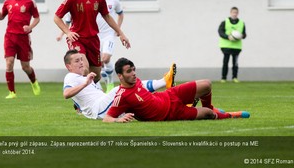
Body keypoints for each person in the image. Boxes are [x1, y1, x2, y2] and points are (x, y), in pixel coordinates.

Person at [103, 58, 250, 123]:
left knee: (207, 84)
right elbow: (107, 118)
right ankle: (231, 115)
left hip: (170, 95)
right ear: (120, 76)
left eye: (134, 70)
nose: (134, 73)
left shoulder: (137, 81)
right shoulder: (121, 96)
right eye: (129, 71)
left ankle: (210, 106)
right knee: (209, 114)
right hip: (172, 114)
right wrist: (118, 120)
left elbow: (146, 96)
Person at [54, 0, 130, 85]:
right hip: (77, 38)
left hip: (93, 39)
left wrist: (121, 34)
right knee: (84, 69)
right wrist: (68, 32)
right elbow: (57, 17)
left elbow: (107, 16)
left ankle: (90, 95)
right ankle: (80, 101)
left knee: (96, 75)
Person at [62, 49, 176, 119]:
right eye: (77, 61)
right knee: (123, 89)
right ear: (69, 66)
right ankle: (165, 81)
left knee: (142, 100)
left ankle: (176, 103)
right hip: (99, 109)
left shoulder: (83, 78)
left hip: (104, 105)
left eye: (81, 59)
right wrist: (85, 84)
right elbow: (66, 94)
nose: (81, 62)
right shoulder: (70, 76)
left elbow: (86, 97)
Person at [0, 0, 41, 99]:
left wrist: (30, 27)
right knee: (9, 63)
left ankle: (34, 82)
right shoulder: (7, 2)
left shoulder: (30, 2)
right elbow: (2, 16)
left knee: (25, 66)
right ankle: (12, 92)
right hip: (9, 37)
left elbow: (37, 18)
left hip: (23, 38)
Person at [95, 0, 124, 93]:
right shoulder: (93, 0)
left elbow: (120, 14)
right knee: (101, 63)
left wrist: (118, 29)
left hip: (109, 35)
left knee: (105, 58)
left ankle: (110, 81)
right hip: (95, 36)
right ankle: (106, 80)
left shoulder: (114, 0)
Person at [218, 7, 247, 83]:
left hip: (236, 47)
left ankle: (234, 77)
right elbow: (220, 32)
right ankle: (223, 78)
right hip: (226, 46)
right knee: (225, 62)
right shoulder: (225, 22)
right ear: (230, 13)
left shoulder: (241, 23)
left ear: (238, 13)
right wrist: (228, 37)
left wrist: (241, 36)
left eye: (236, 12)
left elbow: (244, 34)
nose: (234, 14)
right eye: (233, 12)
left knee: (235, 63)